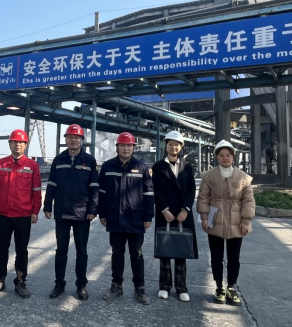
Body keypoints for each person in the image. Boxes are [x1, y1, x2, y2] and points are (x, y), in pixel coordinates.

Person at [44, 124, 99, 301]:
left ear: (82, 140)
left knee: (81, 251)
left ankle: (81, 285)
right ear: (66, 139)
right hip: (62, 212)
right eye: (70, 137)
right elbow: (51, 184)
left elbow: (94, 187)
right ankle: (59, 284)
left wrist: (93, 209)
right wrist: (47, 206)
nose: (73, 140)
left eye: (77, 137)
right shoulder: (58, 160)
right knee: (61, 250)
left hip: (82, 213)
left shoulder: (89, 161)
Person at [98, 132, 154, 305]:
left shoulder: (142, 167)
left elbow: (149, 193)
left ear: (133, 148)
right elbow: (102, 193)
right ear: (117, 147)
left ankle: (140, 288)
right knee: (117, 253)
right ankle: (116, 286)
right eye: (122, 145)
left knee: (137, 253)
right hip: (114, 216)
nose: (126, 148)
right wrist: (102, 213)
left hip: (135, 217)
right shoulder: (107, 167)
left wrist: (148, 216)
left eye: (129, 145)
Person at [197, 139, 255, 306]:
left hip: (236, 222)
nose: (225, 158)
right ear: (217, 157)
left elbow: (248, 200)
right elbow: (203, 198)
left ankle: (231, 287)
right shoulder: (209, 176)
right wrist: (204, 217)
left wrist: (246, 221)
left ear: (233, 157)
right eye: (221, 155)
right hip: (215, 220)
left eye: (228, 155)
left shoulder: (243, 178)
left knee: (234, 258)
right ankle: (219, 287)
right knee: (216, 257)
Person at [0, 129, 42, 298]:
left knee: (21, 250)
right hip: (3, 215)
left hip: (23, 215)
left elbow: (36, 191)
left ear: (25, 145)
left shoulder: (32, 166)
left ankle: (20, 281)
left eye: (21, 142)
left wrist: (35, 211)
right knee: (2, 248)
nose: (17, 145)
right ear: (9, 144)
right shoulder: (0, 164)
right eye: (14, 142)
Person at [152, 130, 199, 302]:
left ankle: (181, 287)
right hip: (165, 213)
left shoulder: (188, 166)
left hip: (182, 213)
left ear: (181, 147)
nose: (173, 147)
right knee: (165, 249)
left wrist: (185, 209)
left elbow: (191, 190)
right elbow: (155, 189)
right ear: (166, 146)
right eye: (170, 144)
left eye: (177, 144)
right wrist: (164, 209)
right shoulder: (158, 167)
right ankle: (164, 286)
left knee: (181, 249)